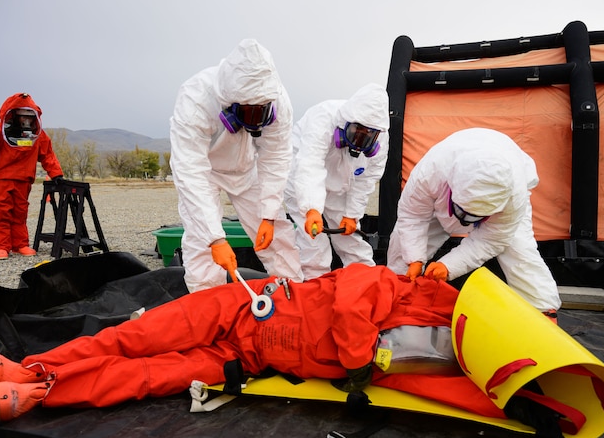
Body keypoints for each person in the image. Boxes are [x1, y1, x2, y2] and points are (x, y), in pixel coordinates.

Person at [0, 263, 459, 423]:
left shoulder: (423, 352)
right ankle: (32, 364)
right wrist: (357, 365)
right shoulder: (389, 283)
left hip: (244, 359)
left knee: (150, 377)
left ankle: (42, 389)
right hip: (238, 307)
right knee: (135, 337)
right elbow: (352, 304)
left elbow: (441, 386)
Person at [169, 39, 303, 292]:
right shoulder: (196, 97)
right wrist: (215, 238)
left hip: (245, 167)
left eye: (261, 113)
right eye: (249, 113)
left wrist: (268, 214)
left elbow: (275, 158)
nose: (257, 121)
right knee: (201, 243)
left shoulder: (277, 99)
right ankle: (208, 306)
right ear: (230, 104)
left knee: (278, 237)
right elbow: (190, 171)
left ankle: (294, 294)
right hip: (204, 172)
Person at [386, 128, 561, 317]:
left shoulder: (513, 196)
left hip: (498, 199)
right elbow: (413, 217)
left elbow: (492, 240)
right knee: (403, 244)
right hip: (443, 195)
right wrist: (415, 259)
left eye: (477, 217)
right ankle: (396, 289)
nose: (468, 222)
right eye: (465, 213)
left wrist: (449, 266)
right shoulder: (430, 172)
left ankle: (544, 311)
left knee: (519, 248)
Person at [284, 83, 390, 279]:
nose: (359, 141)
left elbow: (366, 181)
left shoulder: (381, 138)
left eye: (366, 137)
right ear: (345, 123)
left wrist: (352, 215)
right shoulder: (323, 118)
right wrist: (311, 209)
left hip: (339, 183)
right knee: (313, 242)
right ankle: (316, 287)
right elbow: (310, 164)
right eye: (356, 133)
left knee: (350, 238)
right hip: (300, 176)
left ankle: (368, 282)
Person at [0, 92, 64, 260]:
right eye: (23, 116)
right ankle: (1, 247)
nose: (27, 121)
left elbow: (48, 155)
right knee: (0, 212)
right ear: (15, 115)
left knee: (20, 212)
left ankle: (19, 244)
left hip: (24, 180)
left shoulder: (37, 135)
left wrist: (56, 174)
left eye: (30, 117)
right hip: (1, 180)